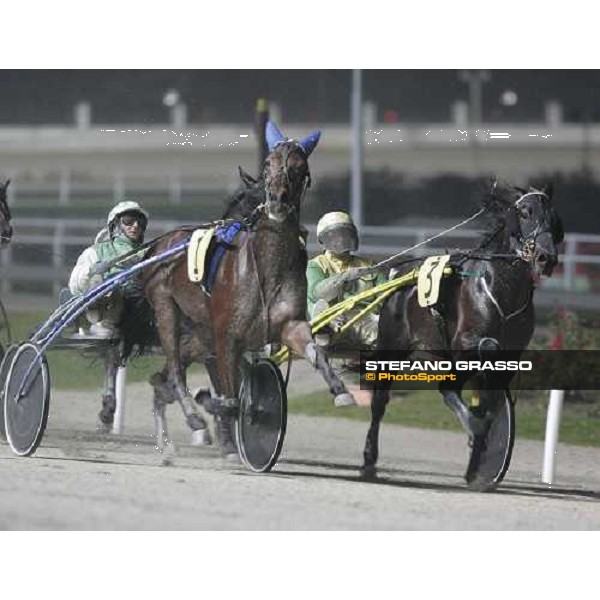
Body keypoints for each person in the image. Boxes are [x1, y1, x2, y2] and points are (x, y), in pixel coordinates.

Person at [68, 199, 149, 338]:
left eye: (139, 221)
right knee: (109, 288)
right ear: (116, 224)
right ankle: (102, 326)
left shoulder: (149, 253)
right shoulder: (97, 251)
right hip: (109, 311)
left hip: (143, 308)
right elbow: (74, 285)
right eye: (128, 220)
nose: (135, 225)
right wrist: (92, 271)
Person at [307, 211, 387, 349]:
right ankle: (322, 330)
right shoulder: (316, 265)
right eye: (334, 236)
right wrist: (345, 277)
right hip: (333, 319)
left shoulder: (369, 265)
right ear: (322, 240)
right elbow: (317, 293)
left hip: (365, 319)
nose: (341, 240)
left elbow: (385, 295)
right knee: (320, 307)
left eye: (344, 234)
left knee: (382, 328)